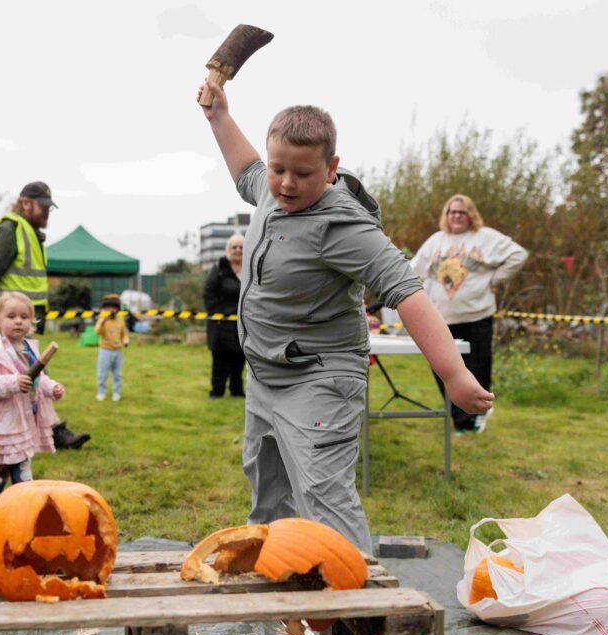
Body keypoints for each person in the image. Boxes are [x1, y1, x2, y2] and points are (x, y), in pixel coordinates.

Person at [198, 80, 494, 554]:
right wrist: (219, 117)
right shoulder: (272, 191)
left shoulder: (343, 227)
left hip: (320, 379)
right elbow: (246, 169)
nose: (287, 184)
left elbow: (408, 292)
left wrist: (454, 374)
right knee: (269, 494)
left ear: (331, 168)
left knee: (323, 496)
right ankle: (286, 589)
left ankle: (354, 608)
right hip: (267, 374)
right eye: (279, 170)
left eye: (303, 173)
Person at [0, 181, 89, 450]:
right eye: (43, 207)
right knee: (0, 381)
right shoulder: (11, 230)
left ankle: (49, 432)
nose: (47, 213)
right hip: (7, 324)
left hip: (24, 324)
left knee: (24, 379)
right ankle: (55, 433)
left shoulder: (32, 234)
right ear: (25, 203)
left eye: (50, 208)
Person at [411, 194, 527, 434]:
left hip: (477, 316)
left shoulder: (485, 237)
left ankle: (479, 414)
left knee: (478, 367)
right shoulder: (436, 241)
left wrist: (496, 279)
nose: (456, 216)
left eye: (461, 212)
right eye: (452, 212)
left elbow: (518, 255)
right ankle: (460, 422)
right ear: (446, 215)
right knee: (444, 370)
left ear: (470, 214)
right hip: (441, 319)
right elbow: (413, 271)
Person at [0, 292, 65, 510]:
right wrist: (12, 383)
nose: (19, 321)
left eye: (24, 316)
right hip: (5, 418)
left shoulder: (29, 348)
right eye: (11, 316)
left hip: (25, 416)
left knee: (6, 461)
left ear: (32, 321)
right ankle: (27, 504)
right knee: (20, 460)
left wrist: (52, 388)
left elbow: (38, 377)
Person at [203, 234, 246, 398]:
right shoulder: (218, 269)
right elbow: (209, 294)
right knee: (220, 359)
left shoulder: (250, 268)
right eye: (234, 247)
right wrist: (217, 315)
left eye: (241, 247)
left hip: (243, 324)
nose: (238, 250)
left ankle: (237, 390)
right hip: (221, 324)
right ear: (228, 250)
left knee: (239, 358)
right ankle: (217, 390)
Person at [94, 293, 128, 401]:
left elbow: (124, 334)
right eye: (108, 307)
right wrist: (102, 320)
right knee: (102, 373)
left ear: (117, 309)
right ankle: (101, 392)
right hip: (105, 350)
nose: (111, 310)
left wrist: (126, 340)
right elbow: (97, 332)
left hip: (118, 351)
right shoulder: (102, 320)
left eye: (113, 307)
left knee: (117, 374)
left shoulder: (120, 321)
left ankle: (117, 393)